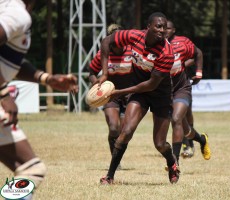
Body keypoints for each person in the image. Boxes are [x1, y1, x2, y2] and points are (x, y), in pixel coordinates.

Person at [0, 1, 78, 199]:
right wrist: (4, 93)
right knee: (31, 170)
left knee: (29, 168)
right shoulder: (17, 12)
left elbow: (9, 60)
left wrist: (46, 78)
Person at [98, 12, 179, 184]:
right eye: (158, 26)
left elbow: (151, 85)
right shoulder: (134, 36)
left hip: (160, 95)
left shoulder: (166, 52)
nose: (162, 30)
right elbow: (107, 42)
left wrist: (120, 92)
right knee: (125, 132)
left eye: (164, 27)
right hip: (140, 93)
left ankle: (172, 162)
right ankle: (110, 176)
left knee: (159, 143)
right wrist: (105, 73)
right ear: (148, 26)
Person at [165, 20, 211, 163]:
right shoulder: (155, 42)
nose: (164, 30)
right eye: (161, 28)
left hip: (181, 87)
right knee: (185, 128)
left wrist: (198, 73)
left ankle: (175, 161)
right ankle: (201, 139)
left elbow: (198, 53)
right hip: (164, 91)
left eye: (167, 28)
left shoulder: (182, 41)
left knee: (178, 118)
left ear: (174, 30)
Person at [88, 24, 133, 169]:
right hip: (110, 95)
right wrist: (98, 86)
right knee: (114, 128)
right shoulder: (104, 53)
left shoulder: (132, 51)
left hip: (128, 95)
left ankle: (118, 154)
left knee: (123, 131)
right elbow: (92, 72)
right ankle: (116, 160)